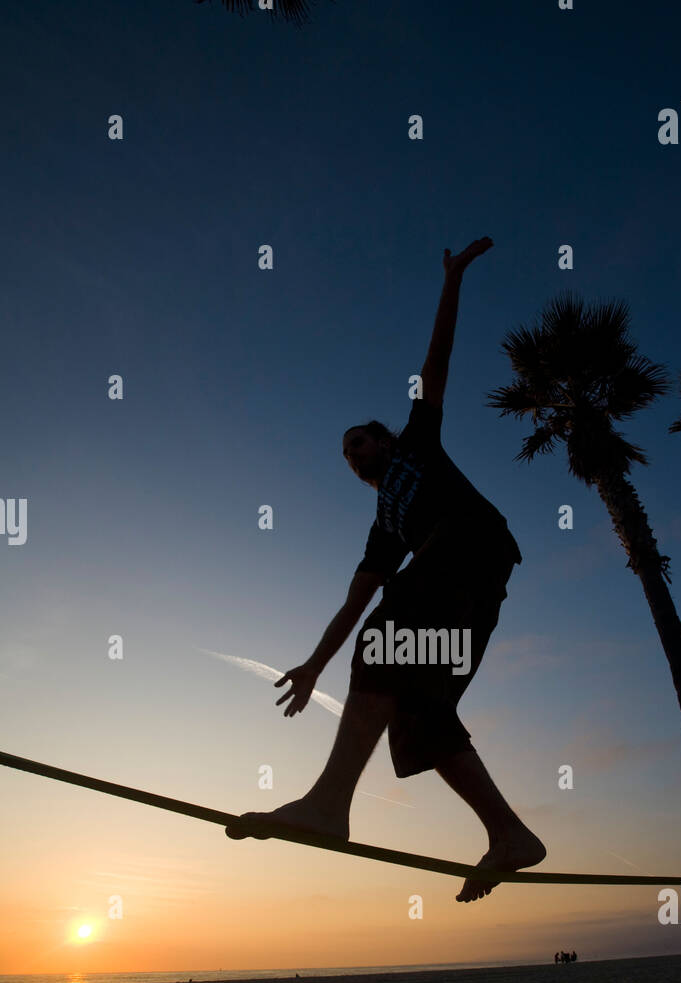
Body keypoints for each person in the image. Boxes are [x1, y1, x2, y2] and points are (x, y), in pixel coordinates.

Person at [226, 238, 546, 902]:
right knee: (419, 713)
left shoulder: (417, 450)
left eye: (359, 441)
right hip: (467, 593)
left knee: (385, 633)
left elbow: (436, 362)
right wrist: (314, 666)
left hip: (472, 550)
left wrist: (452, 278)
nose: (353, 454)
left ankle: (326, 806)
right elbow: (352, 604)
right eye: (346, 453)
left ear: (387, 439)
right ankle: (511, 835)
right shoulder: (386, 527)